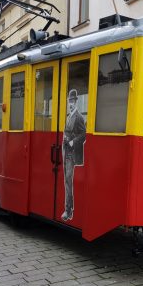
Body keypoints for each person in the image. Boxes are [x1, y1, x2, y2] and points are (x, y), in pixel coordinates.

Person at [61, 89, 86, 222]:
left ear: (76, 102)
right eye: (69, 101)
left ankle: (68, 210)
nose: (70, 103)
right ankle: (68, 209)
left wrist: (71, 141)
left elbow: (83, 135)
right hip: (66, 153)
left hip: (71, 154)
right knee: (66, 181)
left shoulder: (79, 117)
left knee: (68, 182)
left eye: (72, 101)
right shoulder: (69, 116)